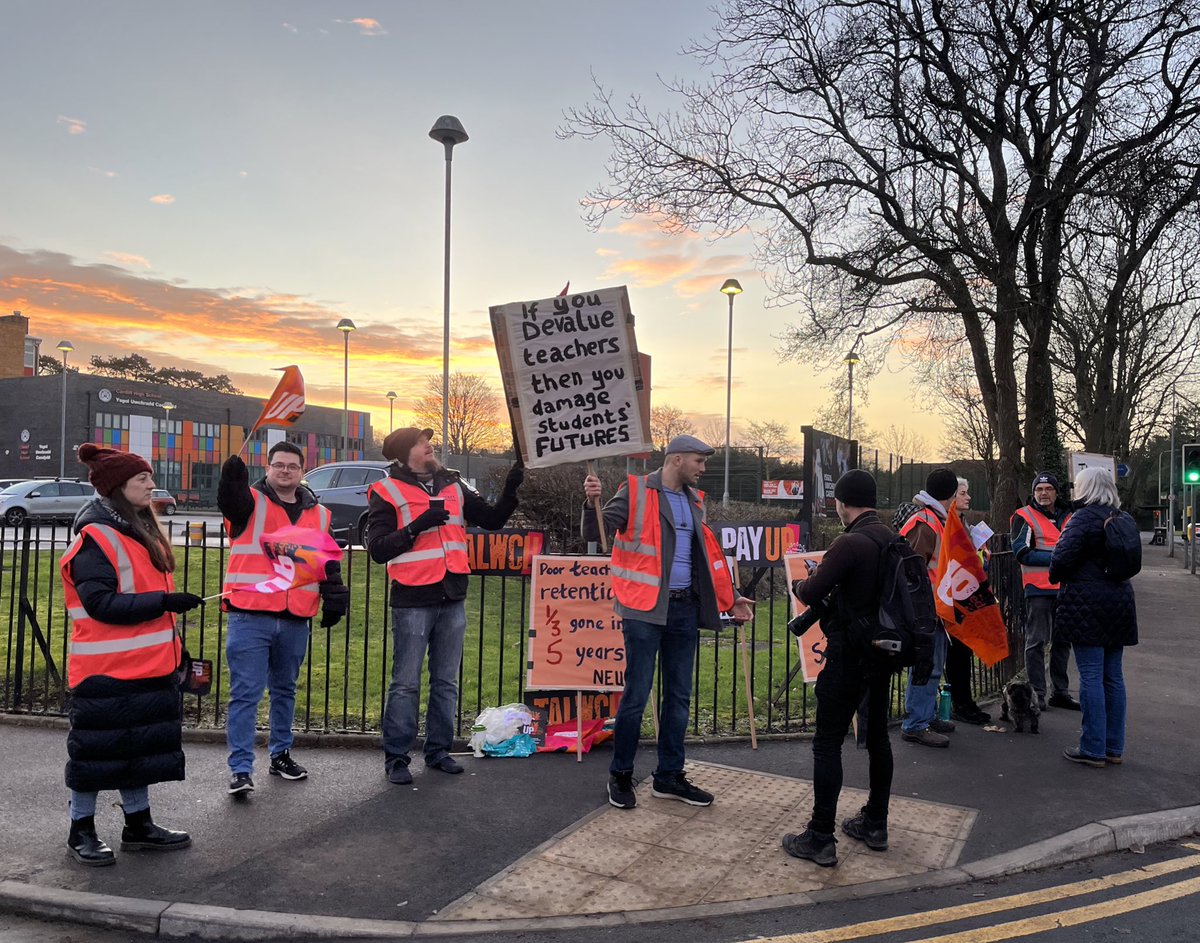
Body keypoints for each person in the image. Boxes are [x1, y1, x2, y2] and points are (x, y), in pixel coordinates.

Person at [582, 435, 754, 810]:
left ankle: (669, 777)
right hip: (643, 610)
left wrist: (731, 596)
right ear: (676, 460)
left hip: (684, 610)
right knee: (636, 696)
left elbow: (705, 557)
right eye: (698, 461)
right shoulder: (635, 491)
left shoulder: (695, 501)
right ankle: (621, 775)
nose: (703, 469)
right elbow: (594, 531)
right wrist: (590, 501)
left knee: (678, 696)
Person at [60, 444, 200, 866]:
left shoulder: (136, 528)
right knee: (95, 754)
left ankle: (138, 825)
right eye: (143, 479)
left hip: (147, 666)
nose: (152, 485)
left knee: (135, 750)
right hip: (106, 671)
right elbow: (100, 603)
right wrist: (163, 602)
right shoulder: (96, 537)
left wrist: (177, 649)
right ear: (119, 486)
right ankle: (80, 830)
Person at [367, 428, 524, 785]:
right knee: (405, 683)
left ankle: (438, 752)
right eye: (424, 443)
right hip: (412, 597)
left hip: (452, 593)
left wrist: (513, 484)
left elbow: (492, 519)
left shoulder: (452, 484)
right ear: (407, 453)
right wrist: (416, 527)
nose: (430, 446)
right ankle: (397, 758)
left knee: (446, 682)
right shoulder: (387, 490)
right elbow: (378, 549)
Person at [219, 442, 349, 796]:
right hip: (251, 614)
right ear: (268, 468)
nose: (285, 471)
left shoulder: (319, 514)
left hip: (295, 616)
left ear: (302, 470)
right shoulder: (250, 503)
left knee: (284, 691)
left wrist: (334, 593)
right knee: (245, 694)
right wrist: (231, 477)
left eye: (292, 466)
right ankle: (241, 769)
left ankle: (281, 755)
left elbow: (325, 560)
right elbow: (230, 500)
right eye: (278, 465)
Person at [781, 469, 895, 867]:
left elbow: (811, 591)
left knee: (828, 742)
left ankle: (820, 835)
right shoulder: (891, 539)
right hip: (884, 653)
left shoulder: (849, 543)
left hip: (848, 654)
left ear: (841, 503)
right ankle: (875, 823)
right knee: (878, 737)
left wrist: (802, 584)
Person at [1049, 467, 1137, 767]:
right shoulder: (1122, 518)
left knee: (1090, 676)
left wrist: (1057, 574)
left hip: (1087, 603)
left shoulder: (1084, 518)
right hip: (1120, 601)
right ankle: (1114, 747)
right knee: (1113, 677)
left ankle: (1093, 747)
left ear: (1086, 488)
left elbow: (1061, 558)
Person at [897, 467, 959, 747]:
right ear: (953, 494)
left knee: (933, 665)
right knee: (926, 666)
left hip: (936, 608)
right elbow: (911, 568)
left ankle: (926, 715)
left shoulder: (934, 520)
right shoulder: (928, 521)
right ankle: (916, 723)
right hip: (927, 609)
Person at [1010, 472, 1079, 712]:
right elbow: (1021, 552)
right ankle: (1038, 693)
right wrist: (1060, 558)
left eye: (1048, 489)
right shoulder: (1023, 516)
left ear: (1056, 492)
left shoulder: (1069, 516)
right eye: (1039, 489)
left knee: (1062, 642)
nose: (1044, 493)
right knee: (1036, 641)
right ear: (1033, 493)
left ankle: (1059, 692)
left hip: (1066, 587)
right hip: (1038, 588)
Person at [943, 478, 991, 725]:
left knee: (964, 652)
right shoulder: (950, 523)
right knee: (957, 654)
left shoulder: (963, 523)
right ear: (952, 497)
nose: (968, 497)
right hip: (954, 598)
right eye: (963, 493)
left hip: (966, 595)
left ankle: (965, 700)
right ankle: (959, 703)